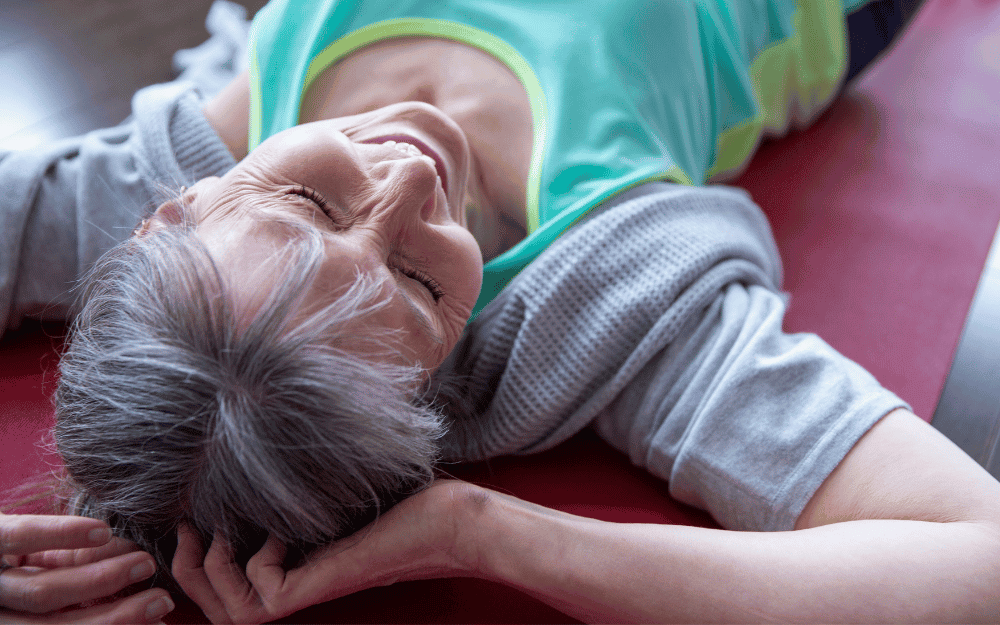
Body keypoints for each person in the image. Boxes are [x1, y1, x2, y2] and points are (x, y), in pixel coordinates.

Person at [3, 0, 997, 623]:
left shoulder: (149, 175)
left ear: (171, 214)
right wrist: (475, 531)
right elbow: (976, 560)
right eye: (420, 284)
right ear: (438, 372)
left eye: (304, 204)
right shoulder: (612, 289)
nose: (403, 181)